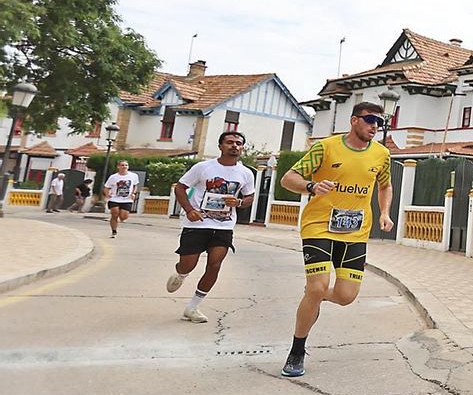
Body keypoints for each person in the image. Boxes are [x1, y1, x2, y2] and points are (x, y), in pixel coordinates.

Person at [277, 101, 392, 378]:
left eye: (379, 121)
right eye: (369, 119)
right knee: (317, 287)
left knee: (345, 297)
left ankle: (312, 298)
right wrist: (311, 186)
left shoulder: (382, 154)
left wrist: (385, 212)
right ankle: (297, 350)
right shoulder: (326, 147)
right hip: (319, 226)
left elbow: (385, 185)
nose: (374, 125)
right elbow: (288, 178)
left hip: (355, 231)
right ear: (354, 120)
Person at [166, 131, 256, 323]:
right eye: (230, 142)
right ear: (220, 145)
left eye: (239, 143)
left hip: (224, 226)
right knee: (188, 264)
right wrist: (189, 209)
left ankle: (192, 307)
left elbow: (250, 197)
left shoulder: (246, 173)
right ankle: (181, 272)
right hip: (197, 223)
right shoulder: (203, 167)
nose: (234, 146)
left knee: (214, 265)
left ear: (242, 147)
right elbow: (180, 187)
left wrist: (239, 202)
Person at [103, 160, 140, 236]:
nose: (124, 167)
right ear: (118, 167)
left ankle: (121, 215)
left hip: (127, 199)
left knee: (123, 217)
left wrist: (133, 193)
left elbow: (135, 186)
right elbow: (106, 187)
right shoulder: (113, 177)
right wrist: (107, 194)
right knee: (114, 215)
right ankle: (114, 231)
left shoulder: (133, 176)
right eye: (122, 165)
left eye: (126, 165)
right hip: (114, 198)